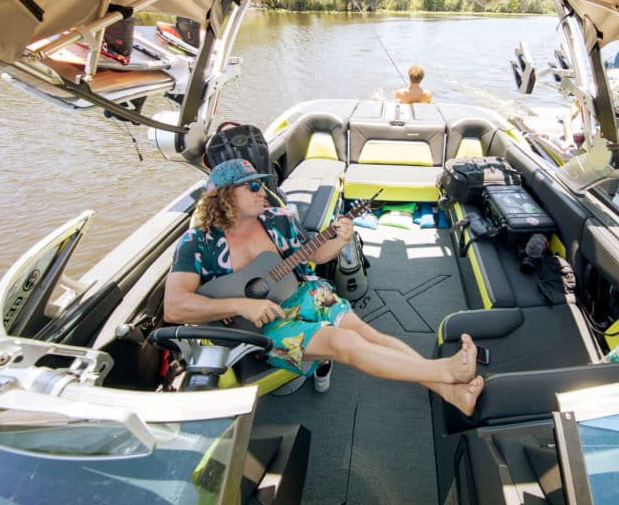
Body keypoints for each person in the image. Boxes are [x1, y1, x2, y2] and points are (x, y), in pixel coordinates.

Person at [165, 158, 484, 415]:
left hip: (303, 292)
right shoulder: (197, 244)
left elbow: (314, 254)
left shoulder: (278, 219)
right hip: (258, 329)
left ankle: (449, 391)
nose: (263, 190)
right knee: (343, 343)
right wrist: (241, 305)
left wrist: (341, 238)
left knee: (368, 334)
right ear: (224, 196)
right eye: (252, 186)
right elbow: (175, 307)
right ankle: (445, 373)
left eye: (262, 183)